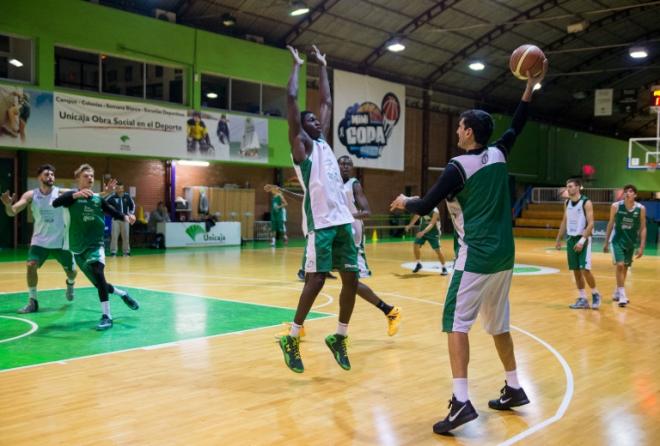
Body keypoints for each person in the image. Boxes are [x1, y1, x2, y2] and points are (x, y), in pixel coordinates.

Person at [390, 62, 547, 435]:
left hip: (475, 256)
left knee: (456, 325)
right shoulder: (499, 154)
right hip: (504, 257)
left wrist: (403, 200)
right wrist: (530, 87)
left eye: (460, 125)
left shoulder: (457, 167)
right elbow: (517, 124)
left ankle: (461, 402)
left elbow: (426, 205)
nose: (457, 130)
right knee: (498, 325)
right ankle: (513, 387)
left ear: (469, 131)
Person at [278, 44, 359, 374]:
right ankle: (292, 337)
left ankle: (339, 337)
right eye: (309, 119)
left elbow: (325, 101)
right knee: (316, 282)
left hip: (342, 221)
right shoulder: (301, 150)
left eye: (318, 119)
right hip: (321, 225)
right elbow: (292, 101)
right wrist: (298, 66)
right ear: (301, 126)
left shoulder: (325, 143)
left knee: (351, 279)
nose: (317, 119)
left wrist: (323, 66)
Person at [53, 164, 140, 331]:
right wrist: (76, 195)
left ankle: (107, 316)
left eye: (92, 176)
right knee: (100, 284)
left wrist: (126, 217)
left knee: (99, 272)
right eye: (86, 176)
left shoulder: (98, 199)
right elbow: (56, 203)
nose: (90, 178)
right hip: (78, 249)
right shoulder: (71, 197)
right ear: (77, 178)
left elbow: (113, 212)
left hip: (96, 245)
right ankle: (123, 294)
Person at [1, 164, 77, 313]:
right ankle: (33, 301)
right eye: (47, 174)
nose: (50, 177)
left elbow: (83, 193)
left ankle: (70, 283)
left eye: (52, 175)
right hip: (39, 241)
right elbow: (12, 212)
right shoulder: (31, 195)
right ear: (39, 177)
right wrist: (8, 205)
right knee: (30, 266)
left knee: (72, 272)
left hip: (60, 241)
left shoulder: (61, 193)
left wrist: (104, 193)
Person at [555, 178, 601, 309]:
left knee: (585, 270)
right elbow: (564, 221)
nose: (567, 189)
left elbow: (591, 223)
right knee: (575, 271)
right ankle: (582, 298)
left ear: (578, 187)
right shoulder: (567, 202)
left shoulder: (586, 202)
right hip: (571, 239)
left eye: (570, 186)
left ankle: (595, 294)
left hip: (583, 239)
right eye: (567, 186)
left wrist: (582, 241)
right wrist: (559, 238)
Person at [603, 184, 646, 307]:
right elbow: (610, 224)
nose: (628, 193)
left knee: (625, 267)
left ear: (635, 195)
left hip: (631, 242)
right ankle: (622, 295)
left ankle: (617, 290)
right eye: (626, 191)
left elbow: (643, 228)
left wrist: (641, 246)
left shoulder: (641, 208)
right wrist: (606, 242)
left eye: (631, 191)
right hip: (617, 241)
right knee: (620, 265)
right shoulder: (616, 206)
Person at [405, 208, 449, 275]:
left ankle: (444, 267)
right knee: (415, 244)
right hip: (422, 232)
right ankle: (418, 263)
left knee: (438, 250)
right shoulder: (423, 207)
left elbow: (431, 223)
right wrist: (410, 225)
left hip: (434, 233)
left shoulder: (435, 211)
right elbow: (416, 216)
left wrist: (423, 232)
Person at [105, 181, 135, 256]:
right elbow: (104, 203)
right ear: (115, 189)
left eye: (120, 188)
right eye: (117, 188)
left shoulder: (127, 196)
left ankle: (126, 252)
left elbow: (132, 205)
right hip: (115, 220)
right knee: (114, 236)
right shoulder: (112, 196)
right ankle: (113, 252)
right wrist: (110, 212)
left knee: (126, 236)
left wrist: (131, 214)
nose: (119, 189)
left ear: (123, 188)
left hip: (125, 219)